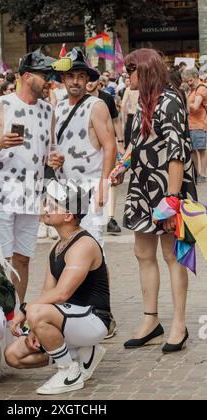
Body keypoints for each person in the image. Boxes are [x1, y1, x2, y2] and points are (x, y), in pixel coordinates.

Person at [112, 49, 197, 353]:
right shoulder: (145, 101)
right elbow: (137, 144)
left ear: (144, 71)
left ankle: (179, 324)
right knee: (141, 252)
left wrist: (173, 200)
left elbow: (177, 152)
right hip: (143, 189)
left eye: (130, 70)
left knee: (172, 255)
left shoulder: (170, 101)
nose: (126, 76)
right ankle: (151, 321)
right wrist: (121, 168)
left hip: (166, 190)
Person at [5, 180, 111, 395]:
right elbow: (48, 292)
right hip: (68, 318)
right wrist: (35, 328)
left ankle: (68, 372)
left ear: (68, 216)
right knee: (13, 356)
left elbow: (62, 293)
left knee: (36, 311)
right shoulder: (57, 245)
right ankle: (79, 354)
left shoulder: (84, 245)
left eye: (52, 205)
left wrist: (27, 312)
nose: (45, 208)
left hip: (93, 319)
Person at [0, 49, 62, 303]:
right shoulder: (2, 105)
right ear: (25, 76)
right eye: (44, 74)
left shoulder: (48, 110)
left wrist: (55, 158)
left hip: (31, 194)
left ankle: (17, 313)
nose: (48, 80)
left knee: (23, 257)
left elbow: (50, 149)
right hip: (0, 194)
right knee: (1, 258)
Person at [54, 48, 117, 248]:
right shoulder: (59, 108)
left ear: (87, 79)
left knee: (93, 247)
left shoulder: (96, 106)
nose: (75, 81)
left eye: (80, 76)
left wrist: (104, 186)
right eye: (71, 76)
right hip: (65, 189)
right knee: (70, 248)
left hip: (90, 187)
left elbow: (110, 146)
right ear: (63, 78)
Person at [86, 77, 125, 235]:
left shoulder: (106, 98)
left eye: (92, 79)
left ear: (99, 82)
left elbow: (116, 121)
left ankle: (110, 218)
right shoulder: (78, 99)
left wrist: (120, 142)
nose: (89, 82)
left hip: (108, 144)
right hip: (87, 149)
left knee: (109, 179)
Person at [183, 68, 207, 182]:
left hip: (199, 124)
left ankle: (202, 174)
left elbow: (196, 106)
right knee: (193, 150)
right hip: (192, 124)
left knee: (201, 150)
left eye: (190, 80)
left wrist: (185, 99)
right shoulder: (193, 89)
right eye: (187, 81)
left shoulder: (201, 88)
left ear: (196, 77)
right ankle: (198, 173)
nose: (189, 83)